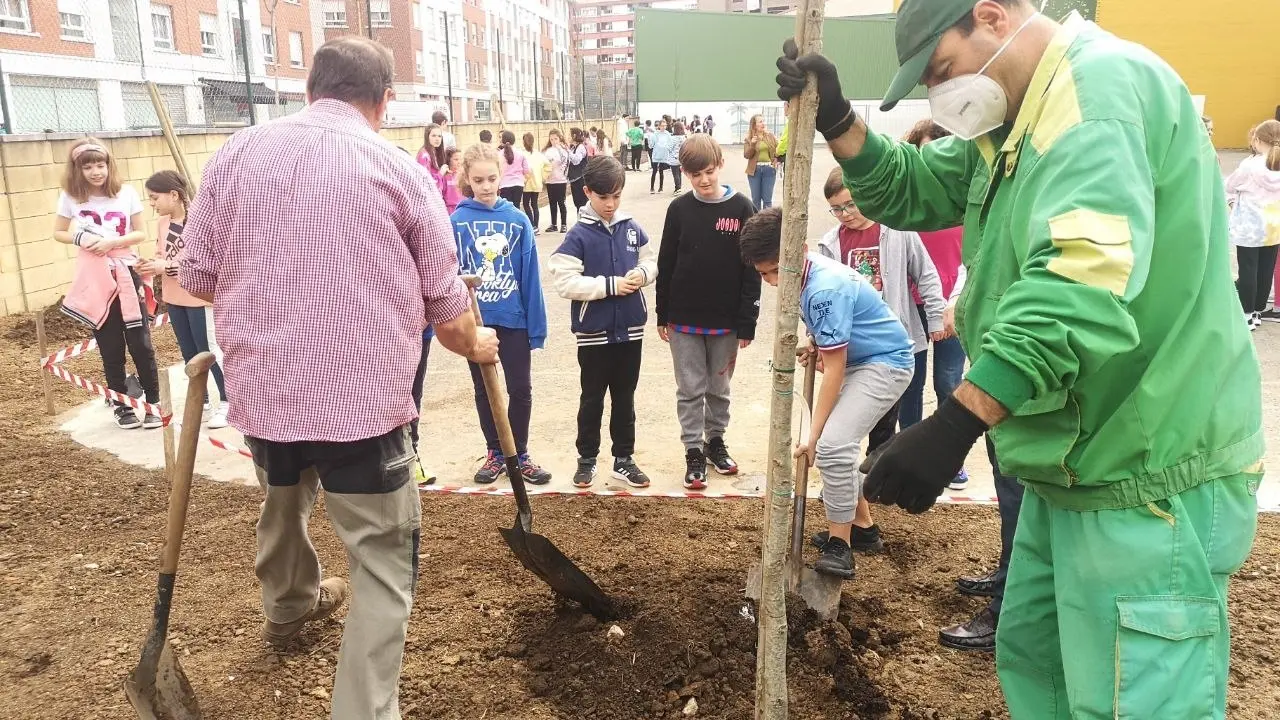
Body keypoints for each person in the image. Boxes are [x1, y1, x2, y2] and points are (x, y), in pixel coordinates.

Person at [775, 1, 1261, 714]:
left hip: (1147, 467)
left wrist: (958, 421)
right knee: (1043, 666)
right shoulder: (1017, 125)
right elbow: (913, 185)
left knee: (1139, 696)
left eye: (942, 71)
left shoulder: (1094, 98)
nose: (942, 96)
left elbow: (1079, 284)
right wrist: (841, 120)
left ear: (993, 16)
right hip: (1072, 463)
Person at [180, 36, 499, 719]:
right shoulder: (400, 170)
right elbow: (448, 313)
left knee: (283, 499)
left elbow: (197, 276)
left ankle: (289, 605)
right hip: (364, 410)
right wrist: (479, 344)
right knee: (383, 560)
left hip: (266, 393)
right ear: (384, 101)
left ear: (308, 91)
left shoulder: (236, 154)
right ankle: (361, 712)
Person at [740, 207, 914, 578]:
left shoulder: (824, 288)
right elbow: (832, 342)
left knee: (834, 446)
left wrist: (814, 435)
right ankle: (863, 529)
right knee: (836, 445)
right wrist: (815, 342)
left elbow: (833, 371)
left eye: (774, 270)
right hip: (859, 360)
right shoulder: (805, 275)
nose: (771, 281)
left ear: (798, 249)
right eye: (763, 274)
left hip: (885, 363)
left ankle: (841, 547)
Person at [902, 121, 1022, 651]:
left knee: (1021, 483)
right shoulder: (976, 210)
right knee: (1006, 481)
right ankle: (1008, 573)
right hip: (987, 344)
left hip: (1018, 369)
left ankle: (1010, 611)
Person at [815, 166, 946, 552]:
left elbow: (926, 275)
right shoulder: (830, 244)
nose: (846, 214)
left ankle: (869, 497)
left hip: (894, 345)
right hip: (851, 351)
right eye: (837, 209)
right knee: (844, 435)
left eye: (850, 204)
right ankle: (859, 512)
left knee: (879, 428)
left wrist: (936, 315)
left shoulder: (897, 231)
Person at [655, 134, 761, 489]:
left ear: (720, 165)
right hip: (683, 319)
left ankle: (715, 441)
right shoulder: (679, 209)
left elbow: (752, 268)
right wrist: (661, 312)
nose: (703, 180)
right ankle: (693, 451)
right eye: (695, 174)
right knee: (689, 388)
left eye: (709, 171)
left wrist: (748, 321)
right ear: (685, 173)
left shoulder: (742, 208)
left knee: (719, 385)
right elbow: (666, 262)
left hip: (726, 322)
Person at [549, 156, 657, 490]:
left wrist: (643, 273)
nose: (610, 204)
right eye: (603, 197)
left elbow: (651, 260)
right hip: (593, 334)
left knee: (625, 397)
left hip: (630, 332)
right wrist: (608, 286)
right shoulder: (578, 235)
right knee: (592, 398)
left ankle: (624, 460)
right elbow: (564, 282)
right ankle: (587, 460)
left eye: (616, 196)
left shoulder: (631, 227)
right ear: (587, 193)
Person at [452, 143, 553, 485]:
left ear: (501, 175)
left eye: (491, 178)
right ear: (466, 178)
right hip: (477, 323)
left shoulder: (517, 220)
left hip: (514, 321)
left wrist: (535, 327)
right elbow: (448, 277)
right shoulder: (456, 221)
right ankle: (496, 452)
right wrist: (456, 323)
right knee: (485, 390)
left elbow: (530, 277)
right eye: (478, 180)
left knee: (520, 388)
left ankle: (519, 452)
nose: (485, 186)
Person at [54, 138, 162, 430]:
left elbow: (140, 232)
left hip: (127, 273)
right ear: (78, 169)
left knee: (141, 343)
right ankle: (122, 404)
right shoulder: (71, 196)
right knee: (109, 344)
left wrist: (113, 241)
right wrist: (82, 238)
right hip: (96, 276)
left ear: (108, 165)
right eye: (87, 166)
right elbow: (59, 232)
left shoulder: (125, 193)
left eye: (100, 164)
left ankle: (153, 402)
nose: (95, 171)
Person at [138, 170, 230, 430]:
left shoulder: (199, 221)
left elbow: (197, 260)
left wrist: (163, 266)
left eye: (155, 198)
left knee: (209, 351)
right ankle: (200, 402)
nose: (152, 204)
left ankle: (227, 400)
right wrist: (150, 264)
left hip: (198, 296)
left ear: (174, 195)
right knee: (188, 352)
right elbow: (160, 253)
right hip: (174, 297)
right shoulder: (162, 223)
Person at [898, 120, 968, 463]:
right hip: (911, 305)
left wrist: (953, 303)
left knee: (949, 381)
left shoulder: (970, 199)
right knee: (909, 383)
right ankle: (910, 457)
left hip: (954, 305)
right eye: (927, 152)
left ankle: (946, 459)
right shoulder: (907, 201)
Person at [1226, 119, 1280, 330]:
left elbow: (1230, 184)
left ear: (1257, 140)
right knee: (1266, 270)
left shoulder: (1250, 165)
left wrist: (1232, 200)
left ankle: (1247, 314)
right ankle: (1257, 311)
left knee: (1248, 269)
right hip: (1274, 227)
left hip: (1250, 227)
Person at [743, 114, 779, 210]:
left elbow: (779, 150)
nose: (763, 123)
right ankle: (757, 223)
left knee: (767, 200)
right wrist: (752, 145)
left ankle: (767, 222)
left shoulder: (770, 136)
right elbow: (747, 155)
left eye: (764, 121)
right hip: (754, 171)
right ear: (754, 125)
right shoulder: (749, 138)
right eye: (760, 121)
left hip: (769, 170)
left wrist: (776, 159)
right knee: (756, 200)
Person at [520, 132, 548, 235]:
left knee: (526, 204)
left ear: (524, 142)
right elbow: (548, 165)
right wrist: (542, 177)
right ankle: (536, 226)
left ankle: (532, 225)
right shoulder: (538, 154)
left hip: (526, 183)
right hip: (536, 183)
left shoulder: (522, 154)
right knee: (535, 204)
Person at [543, 129, 571, 232]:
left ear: (560, 138)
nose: (554, 141)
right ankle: (553, 224)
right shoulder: (548, 151)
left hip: (561, 180)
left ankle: (564, 224)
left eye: (555, 139)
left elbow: (564, 163)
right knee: (552, 203)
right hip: (550, 181)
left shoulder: (563, 150)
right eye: (551, 139)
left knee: (561, 203)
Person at [497, 130, 531, 209]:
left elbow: (497, 171)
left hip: (504, 184)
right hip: (518, 184)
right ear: (514, 140)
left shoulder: (499, 155)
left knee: (505, 209)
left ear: (503, 140)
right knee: (516, 208)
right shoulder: (521, 153)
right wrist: (523, 181)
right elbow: (527, 171)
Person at [416, 123, 447, 193]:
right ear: (427, 137)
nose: (437, 139)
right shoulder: (424, 155)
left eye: (439, 136)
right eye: (433, 136)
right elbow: (424, 181)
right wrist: (441, 173)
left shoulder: (434, 153)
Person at [567, 127, 591, 213]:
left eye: (569, 135)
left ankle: (584, 221)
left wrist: (567, 150)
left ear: (574, 135)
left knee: (582, 202)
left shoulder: (580, 147)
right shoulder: (573, 147)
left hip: (581, 178)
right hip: (574, 179)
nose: (567, 137)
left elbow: (576, 161)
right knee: (577, 202)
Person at [650, 119, 675, 194]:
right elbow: (651, 144)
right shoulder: (655, 134)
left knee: (661, 171)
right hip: (656, 154)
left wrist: (668, 149)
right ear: (659, 126)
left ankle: (661, 188)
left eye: (665, 126)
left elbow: (670, 143)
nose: (663, 127)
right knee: (654, 171)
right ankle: (652, 188)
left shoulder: (667, 134)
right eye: (662, 126)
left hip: (664, 155)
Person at [440, 148, 464, 215]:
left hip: (463, 208)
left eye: (461, 159)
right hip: (450, 211)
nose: (459, 162)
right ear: (449, 160)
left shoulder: (465, 175)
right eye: (456, 159)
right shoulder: (445, 176)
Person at [668, 122, 687, 195]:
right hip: (681, 159)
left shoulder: (673, 138)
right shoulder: (684, 138)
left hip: (674, 159)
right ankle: (679, 188)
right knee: (679, 173)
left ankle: (678, 188)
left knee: (675, 174)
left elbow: (669, 148)